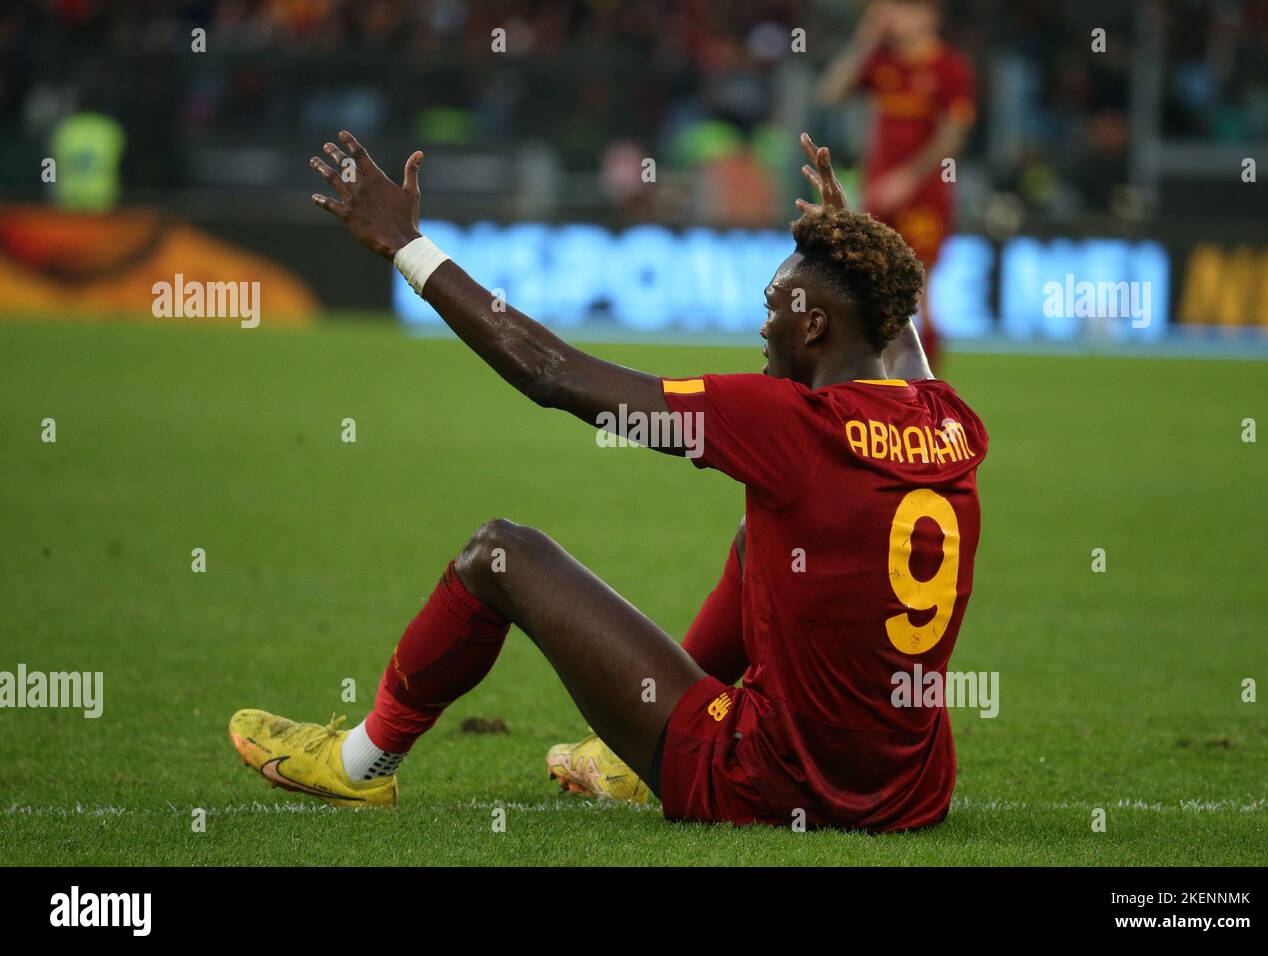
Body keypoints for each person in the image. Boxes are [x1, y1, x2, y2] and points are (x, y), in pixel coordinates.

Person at [228, 130, 986, 831]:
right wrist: (857, 249)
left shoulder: (784, 421)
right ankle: (627, 759)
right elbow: (893, 327)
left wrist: (406, 245)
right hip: (912, 793)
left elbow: (551, 374)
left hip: (767, 781)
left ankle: (361, 763)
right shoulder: (949, 418)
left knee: (499, 554)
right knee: (765, 535)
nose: (762, 328)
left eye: (773, 309)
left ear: (816, 327)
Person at [817, 0, 975, 371]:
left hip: (923, 194)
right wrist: (864, 40)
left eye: (903, 9)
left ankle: (926, 386)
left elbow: (953, 134)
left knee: (920, 290)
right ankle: (875, 377)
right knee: (867, 284)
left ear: (928, 16)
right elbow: (830, 94)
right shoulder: (881, 61)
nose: (892, 17)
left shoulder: (950, 67)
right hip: (878, 189)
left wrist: (908, 177)